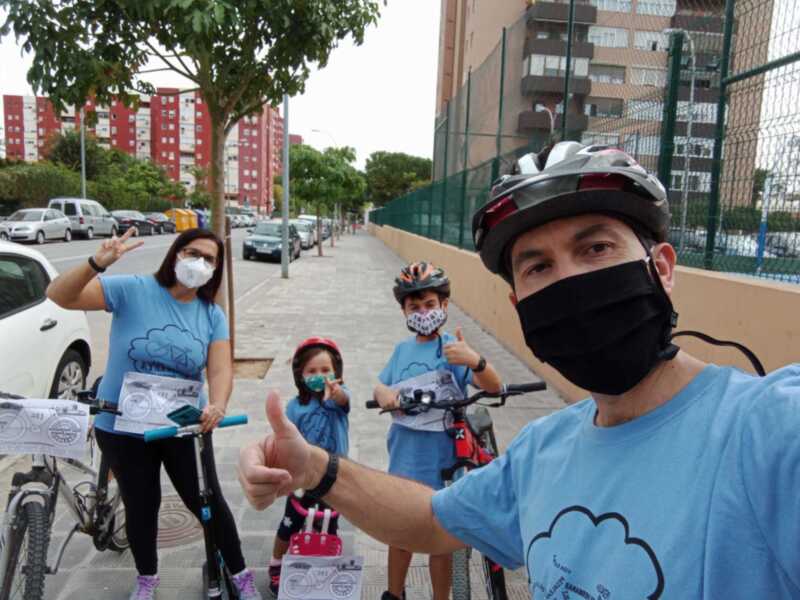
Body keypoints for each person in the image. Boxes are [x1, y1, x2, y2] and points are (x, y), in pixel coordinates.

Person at [238, 142, 800, 598]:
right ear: (519, 308)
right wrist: (316, 467)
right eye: (537, 267)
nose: (570, 283)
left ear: (662, 268)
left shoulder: (768, 430)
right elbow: (432, 520)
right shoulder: (539, 452)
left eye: (597, 248)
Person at [47, 228, 261, 600]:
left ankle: (239, 572)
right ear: (175, 254)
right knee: (141, 505)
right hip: (123, 428)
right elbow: (59, 296)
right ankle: (147, 577)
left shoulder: (211, 314)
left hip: (182, 428)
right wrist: (97, 262)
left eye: (209, 259)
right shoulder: (133, 289)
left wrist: (219, 404)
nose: (199, 263)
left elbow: (220, 368)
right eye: (192, 252)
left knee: (207, 501)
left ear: (216, 269)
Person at [373, 261, 502, 600]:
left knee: (439, 543)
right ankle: (394, 593)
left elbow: (494, 386)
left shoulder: (453, 349)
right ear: (403, 310)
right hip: (404, 460)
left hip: (444, 463)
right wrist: (384, 394)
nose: (423, 311)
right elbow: (380, 387)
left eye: (429, 304)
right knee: (400, 536)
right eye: (414, 306)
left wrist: (475, 360)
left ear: (444, 305)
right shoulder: (402, 351)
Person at [267, 337, 351, 597]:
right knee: (291, 522)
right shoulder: (296, 406)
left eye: (326, 370)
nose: (320, 376)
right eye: (312, 371)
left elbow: (344, 401)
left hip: (333, 475)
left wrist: (336, 394)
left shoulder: (338, 400)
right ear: (300, 375)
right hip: (302, 476)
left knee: (330, 523)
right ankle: (277, 564)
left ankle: (327, 565)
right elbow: (286, 437)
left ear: (336, 372)